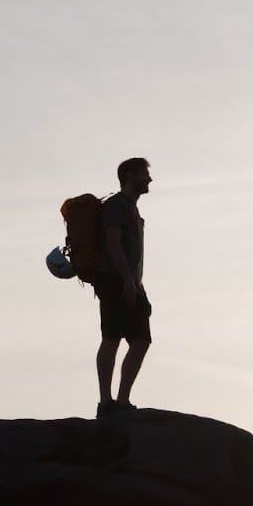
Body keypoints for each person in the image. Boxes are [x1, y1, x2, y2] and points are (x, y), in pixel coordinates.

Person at [94, 157, 153, 418]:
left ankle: (122, 400)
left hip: (132, 283)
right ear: (129, 175)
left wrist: (137, 285)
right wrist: (127, 281)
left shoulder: (132, 209)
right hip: (114, 281)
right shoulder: (117, 205)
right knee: (112, 337)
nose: (149, 179)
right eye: (144, 174)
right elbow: (113, 242)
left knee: (141, 340)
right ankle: (106, 402)